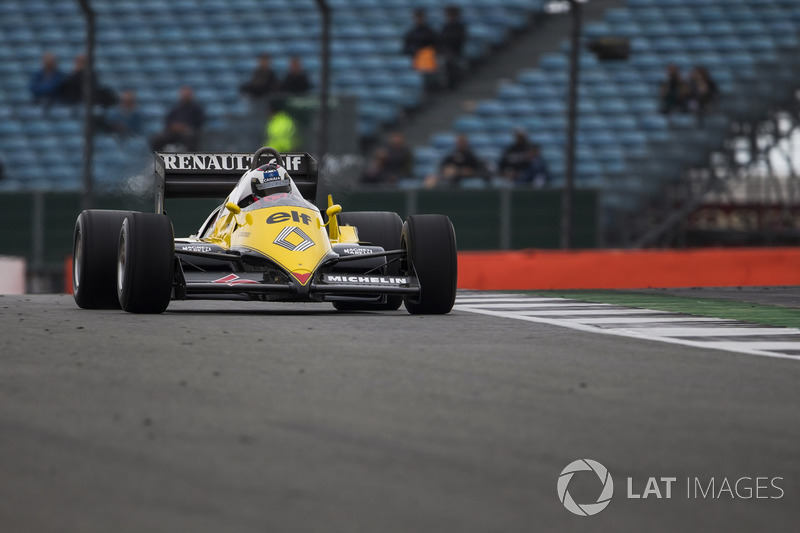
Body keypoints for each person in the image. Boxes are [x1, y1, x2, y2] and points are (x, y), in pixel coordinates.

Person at [150, 86, 206, 151]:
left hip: (188, 131)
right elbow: (168, 120)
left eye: (187, 94)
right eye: (184, 94)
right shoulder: (176, 108)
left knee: (190, 137)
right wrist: (174, 127)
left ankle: (188, 157)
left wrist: (185, 127)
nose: (185, 96)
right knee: (158, 138)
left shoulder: (197, 109)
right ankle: (158, 157)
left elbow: (200, 121)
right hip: (174, 132)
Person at [403, 8, 439, 89]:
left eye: (420, 18)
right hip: (414, 59)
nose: (419, 20)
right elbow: (405, 48)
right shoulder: (411, 33)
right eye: (417, 18)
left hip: (427, 60)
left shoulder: (430, 32)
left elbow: (436, 46)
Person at [439, 6, 467, 90]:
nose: (449, 17)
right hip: (446, 51)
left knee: (451, 62)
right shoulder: (446, 27)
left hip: (457, 51)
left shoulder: (460, 27)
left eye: (451, 15)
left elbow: (460, 40)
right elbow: (441, 40)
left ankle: (454, 83)